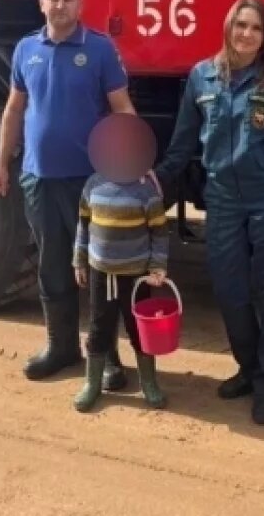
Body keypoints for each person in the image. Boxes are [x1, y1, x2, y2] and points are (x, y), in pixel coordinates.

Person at [153, 0, 264, 426]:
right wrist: (157, 180)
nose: (246, 34)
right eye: (241, 25)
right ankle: (249, 367)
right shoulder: (202, 77)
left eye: (256, 28)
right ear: (228, 27)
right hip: (223, 198)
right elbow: (183, 143)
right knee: (230, 291)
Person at [0, 0, 137, 390]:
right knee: (52, 264)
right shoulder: (26, 49)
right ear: (41, 3)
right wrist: (1, 165)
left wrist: (136, 160)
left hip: (89, 182)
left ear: (80, 4)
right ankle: (61, 347)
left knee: (98, 269)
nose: (60, 5)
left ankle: (106, 356)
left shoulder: (99, 49)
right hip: (38, 179)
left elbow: (122, 108)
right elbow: (14, 110)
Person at [71, 113, 170, 413]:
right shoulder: (92, 185)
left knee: (139, 330)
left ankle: (149, 382)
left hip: (137, 277)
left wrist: (158, 265)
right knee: (99, 327)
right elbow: (83, 225)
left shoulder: (146, 191)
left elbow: (159, 231)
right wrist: (79, 260)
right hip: (101, 274)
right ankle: (92, 382)